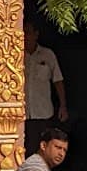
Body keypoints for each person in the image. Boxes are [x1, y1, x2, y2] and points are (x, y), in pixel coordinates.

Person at [23, 20, 67, 156]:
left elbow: (58, 80)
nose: (25, 36)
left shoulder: (48, 55)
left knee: (43, 152)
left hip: (43, 113)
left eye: (28, 33)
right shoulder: (14, 55)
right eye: (22, 32)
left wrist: (63, 106)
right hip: (21, 113)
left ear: (36, 34)